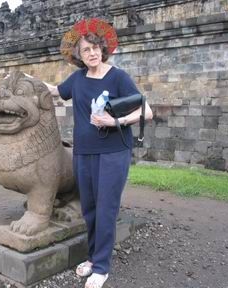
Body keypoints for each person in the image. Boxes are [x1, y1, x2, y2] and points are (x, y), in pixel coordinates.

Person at [44, 18, 153, 288]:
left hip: (113, 151)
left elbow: (147, 112)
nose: (91, 53)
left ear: (102, 49)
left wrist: (115, 121)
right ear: (79, 56)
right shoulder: (78, 79)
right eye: (85, 50)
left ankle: (102, 266)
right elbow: (57, 91)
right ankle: (94, 257)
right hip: (84, 153)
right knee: (90, 209)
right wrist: (28, 81)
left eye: (94, 48)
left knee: (106, 208)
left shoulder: (118, 77)